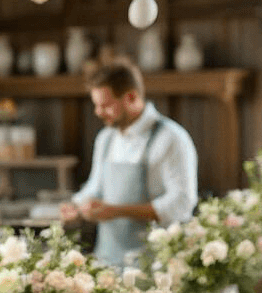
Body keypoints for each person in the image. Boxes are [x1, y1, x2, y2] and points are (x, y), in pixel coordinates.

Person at [59, 61, 198, 267]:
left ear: (131, 97)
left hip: (156, 264)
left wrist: (117, 211)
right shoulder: (106, 138)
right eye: (95, 105)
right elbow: (96, 186)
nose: (98, 112)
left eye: (105, 105)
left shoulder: (172, 138)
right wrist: (77, 205)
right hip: (106, 260)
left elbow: (181, 203)